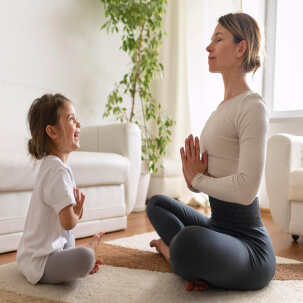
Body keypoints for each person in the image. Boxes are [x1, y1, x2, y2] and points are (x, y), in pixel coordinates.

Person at [146, 12, 276, 291]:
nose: (209, 47)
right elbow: (209, 177)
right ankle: (198, 263)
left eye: (218, 39)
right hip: (217, 225)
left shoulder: (253, 106)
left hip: (249, 247)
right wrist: (194, 183)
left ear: (241, 48)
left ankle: (171, 253)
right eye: (211, 40)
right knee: (156, 203)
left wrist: (199, 181)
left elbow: (247, 190)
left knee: (186, 242)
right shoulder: (220, 109)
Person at [17, 93, 104, 285]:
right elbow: (68, 224)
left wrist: (72, 212)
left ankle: (77, 258)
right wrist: (76, 212)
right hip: (41, 263)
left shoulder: (51, 166)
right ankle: (89, 248)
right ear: (53, 132)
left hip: (31, 256)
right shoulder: (57, 171)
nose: (78, 124)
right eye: (71, 118)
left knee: (73, 253)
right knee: (85, 258)